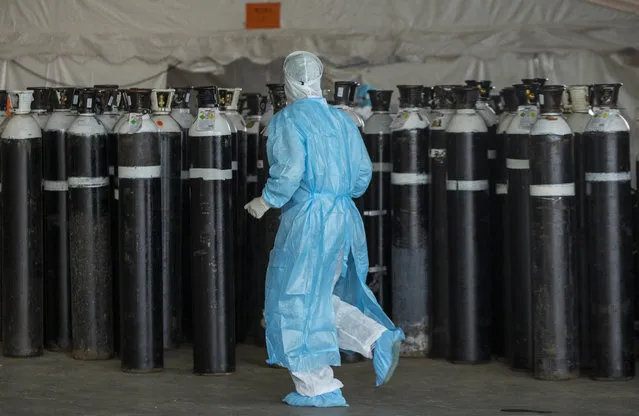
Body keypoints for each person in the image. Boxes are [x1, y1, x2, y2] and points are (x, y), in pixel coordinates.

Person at [244, 51, 405, 408]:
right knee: (317, 296)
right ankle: (366, 345)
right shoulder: (343, 120)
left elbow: (290, 171)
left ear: (288, 82)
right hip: (343, 216)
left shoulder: (288, 121)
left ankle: (324, 382)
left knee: (294, 300)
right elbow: (363, 176)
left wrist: (267, 200)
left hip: (309, 219)